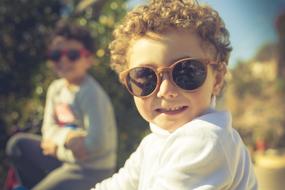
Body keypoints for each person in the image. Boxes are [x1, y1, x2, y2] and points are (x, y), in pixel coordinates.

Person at [92, 0, 258, 189]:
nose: (165, 91)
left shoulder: (206, 139)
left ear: (217, 79)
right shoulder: (154, 142)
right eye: (145, 77)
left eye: (186, 71)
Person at [5, 21, 117, 190]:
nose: (63, 60)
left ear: (88, 59)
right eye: (56, 55)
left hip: (91, 170)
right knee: (17, 145)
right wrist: (68, 138)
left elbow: (97, 145)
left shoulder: (91, 94)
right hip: (64, 158)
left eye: (72, 55)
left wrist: (57, 150)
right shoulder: (55, 89)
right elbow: (48, 130)